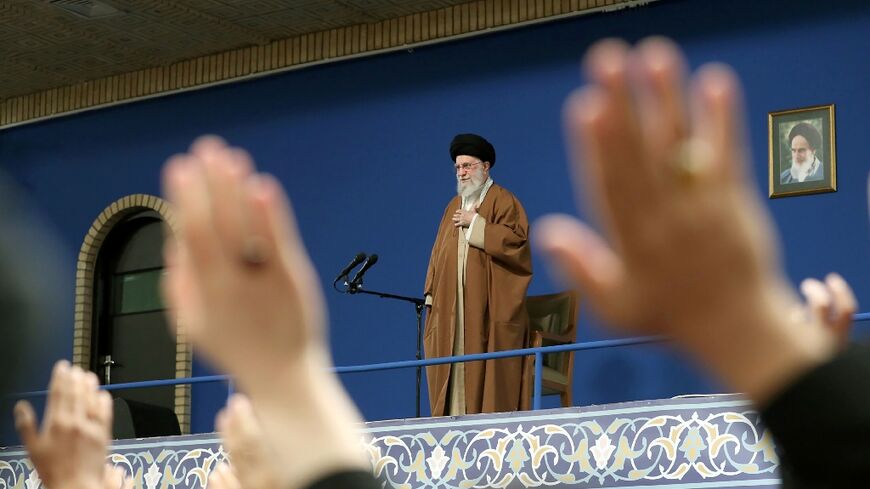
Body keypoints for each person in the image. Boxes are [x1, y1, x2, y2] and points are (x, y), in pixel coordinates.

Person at [423, 133, 533, 416]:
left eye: (468, 166)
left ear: (486, 167)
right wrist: (432, 293)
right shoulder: (452, 206)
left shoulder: (503, 201)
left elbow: (517, 245)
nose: (462, 172)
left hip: (487, 306)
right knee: (451, 356)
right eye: (458, 167)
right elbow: (437, 253)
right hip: (453, 308)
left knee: (485, 364)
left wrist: (478, 224)